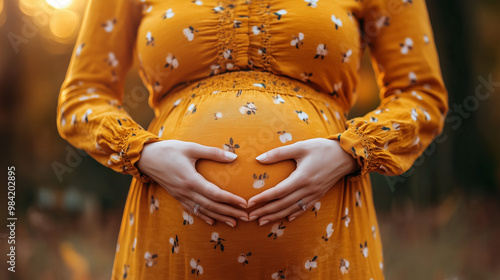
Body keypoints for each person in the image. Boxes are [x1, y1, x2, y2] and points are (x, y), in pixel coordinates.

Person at [56, 0, 448, 279]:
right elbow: (81, 98)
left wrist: (349, 152)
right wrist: (143, 153)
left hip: (330, 250)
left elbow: (421, 94)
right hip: (168, 242)